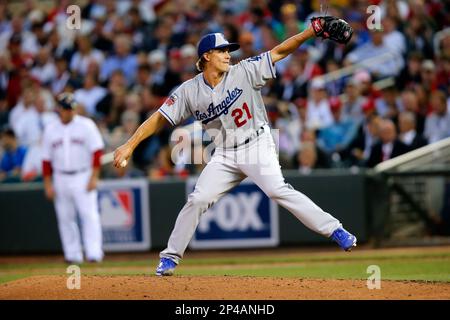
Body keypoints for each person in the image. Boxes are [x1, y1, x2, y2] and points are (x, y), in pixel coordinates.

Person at [114, 17, 357, 276]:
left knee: (277, 190)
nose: (228, 55)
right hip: (225, 154)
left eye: (229, 50)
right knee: (198, 199)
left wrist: (310, 31)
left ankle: (335, 230)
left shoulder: (244, 70)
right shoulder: (189, 91)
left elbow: (279, 51)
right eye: (222, 50)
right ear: (206, 55)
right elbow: (159, 118)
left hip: (257, 143)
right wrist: (129, 145)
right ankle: (170, 258)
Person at [41, 93, 104, 264]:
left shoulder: (86, 125)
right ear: (59, 109)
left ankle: (94, 253)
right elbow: (46, 160)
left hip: (83, 175)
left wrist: (94, 176)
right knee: (65, 217)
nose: (70, 112)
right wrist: (48, 184)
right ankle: (72, 254)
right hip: (60, 176)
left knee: (89, 215)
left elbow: (97, 152)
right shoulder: (50, 129)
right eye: (66, 108)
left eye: (71, 108)